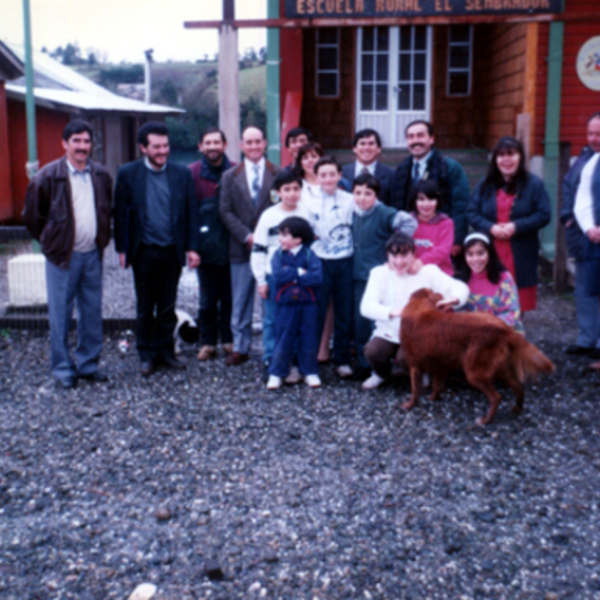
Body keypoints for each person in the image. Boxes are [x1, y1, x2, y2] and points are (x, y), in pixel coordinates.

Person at [23, 119, 113, 389]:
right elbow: (32, 217)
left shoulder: (101, 175)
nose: (82, 146)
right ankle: (63, 368)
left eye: (86, 141)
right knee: (60, 314)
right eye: (76, 141)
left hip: (92, 256)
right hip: (63, 258)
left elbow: (107, 210)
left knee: (91, 312)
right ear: (65, 144)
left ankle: (88, 364)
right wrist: (52, 243)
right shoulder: (47, 176)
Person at [114, 121, 200, 377]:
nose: (163, 151)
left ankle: (166, 352)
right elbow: (119, 214)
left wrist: (192, 247)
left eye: (165, 145)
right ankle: (146, 355)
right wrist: (122, 248)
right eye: (156, 146)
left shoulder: (181, 174)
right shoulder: (128, 173)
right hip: (143, 249)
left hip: (172, 249)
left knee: (167, 304)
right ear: (143, 148)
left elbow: (191, 213)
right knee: (144, 306)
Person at [360, 232, 469, 390]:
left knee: (405, 358)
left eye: (404, 255)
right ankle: (381, 374)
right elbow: (366, 307)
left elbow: (460, 287)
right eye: (394, 255)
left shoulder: (428, 271)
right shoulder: (379, 273)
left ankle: (422, 372)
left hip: (418, 334)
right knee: (373, 351)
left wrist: (453, 299)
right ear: (387, 255)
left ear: (413, 255)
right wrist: (396, 312)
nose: (399, 261)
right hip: (388, 332)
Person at [219, 126, 282, 366]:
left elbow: (283, 207)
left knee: (271, 299)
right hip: (241, 247)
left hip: (272, 250)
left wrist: (266, 237)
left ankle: (272, 346)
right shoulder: (230, 176)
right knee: (241, 299)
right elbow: (225, 210)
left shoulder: (278, 173)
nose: (254, 146)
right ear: (241, 145)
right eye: (249, 142)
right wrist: (247, 236)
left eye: (258, 141)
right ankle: (241, 347)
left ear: (264, 143)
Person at [467, 136, 551, 313]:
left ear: (520, 157)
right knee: (489, 303)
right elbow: (471, 213)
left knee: (517, 309)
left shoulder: (534, 184)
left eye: (511, 154)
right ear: (495, 159)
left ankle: (515, 338)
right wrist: (491, 227)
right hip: (490, 252)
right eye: (501, 155)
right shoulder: (485, 184)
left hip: (521, 253)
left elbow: (544, 214)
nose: (506, 159)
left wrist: (516, 226)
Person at [352, 173, 417, 376]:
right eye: (358, 193)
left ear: (377, 196)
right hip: (357, 273)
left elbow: (410, 223)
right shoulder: (351, 211)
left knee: (379, 322)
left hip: (379, 273)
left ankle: (394, 361)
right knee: (361, 320)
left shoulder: (385, 213)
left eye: (368, 194)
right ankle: (366, 365)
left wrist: (395, 249)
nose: (362, 198)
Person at [251, 170, 309, 381]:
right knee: (272, 319)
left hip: (300, 278)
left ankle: (293, 361)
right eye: (287, 189)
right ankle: (271, 359)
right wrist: (260, 280)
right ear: (277, 192)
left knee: (297, 319)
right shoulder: (269, 216)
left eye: (296, 188)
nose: (292, 194)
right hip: (274, 277)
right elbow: (258, 249)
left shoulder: (307, 213)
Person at [304, 155, 354, 378]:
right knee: (318, 311)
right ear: (317, 176)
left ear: (340, 176)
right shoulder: (309, 201)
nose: (328, 179)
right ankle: (310, 360)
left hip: (345, 261)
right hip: (320, 261)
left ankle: (341, 359)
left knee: (344, 312)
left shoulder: (350, 200)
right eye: (323, 174)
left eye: (332, 174)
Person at [189, 127, 235, 361]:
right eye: (208, 143)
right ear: (201, 147)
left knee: (230, 297)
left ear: (225, 145)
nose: (212, 147)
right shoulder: (192, 173)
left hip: (232, 249)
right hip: (205, 250)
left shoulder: (237, 171)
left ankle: (228, 339)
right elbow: (187, 213)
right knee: (207, 299)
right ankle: (207, 342)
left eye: (217, 142)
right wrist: (192, 247)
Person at [390, 120, 470, 255]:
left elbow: (460, 205)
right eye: (411, 137)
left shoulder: (449, 167)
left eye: (420, 135)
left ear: (431, 139)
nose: (415, 140)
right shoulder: (401, 169)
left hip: (440, 239)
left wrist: (456, 240)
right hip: (410, 239)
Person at [560, 112, 600, 360]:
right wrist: (571, 218)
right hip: (586, 237)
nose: (595, 138)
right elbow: (575, 193)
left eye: (599, 134)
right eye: (591, 133)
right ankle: (588, 339)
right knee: (585, 290)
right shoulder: (585, 160)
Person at [267, 217, 323, 390]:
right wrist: (300, 272)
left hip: (308, 304)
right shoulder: (277, 255)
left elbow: (316, 277)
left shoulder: (310, 255)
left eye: (284, 235)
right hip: (286, 304)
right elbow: (277, 276)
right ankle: (277, 373)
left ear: (298, 239)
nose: (280, 239)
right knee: (283, 337)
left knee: (309, 337)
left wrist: (291, 274)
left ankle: (310, 371)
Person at [454, 232, 524, 333]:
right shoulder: (462, 280)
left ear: (490, 253)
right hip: (471, 334)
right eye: (470, 254)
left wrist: (485, 327)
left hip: (500, 333)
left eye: (480, 253)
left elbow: (512, 313)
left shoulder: (504, 278)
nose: (475, 259)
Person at [410, 179, 454, 276]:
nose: (426, 204)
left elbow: (442, 250)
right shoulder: (407, 221)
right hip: (411, 272)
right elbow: (399, 246)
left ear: (438, 201)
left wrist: (421, 261)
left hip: (440, 273)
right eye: (421, 199)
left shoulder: (446, 223)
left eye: (431, 199)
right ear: (415, 201)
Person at [342, 128, 394, 206]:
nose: (366, 148)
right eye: (362, 144)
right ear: (354, 149)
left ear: (379, 149)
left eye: (371, 144)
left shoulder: (391, 175)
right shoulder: (342, 173)